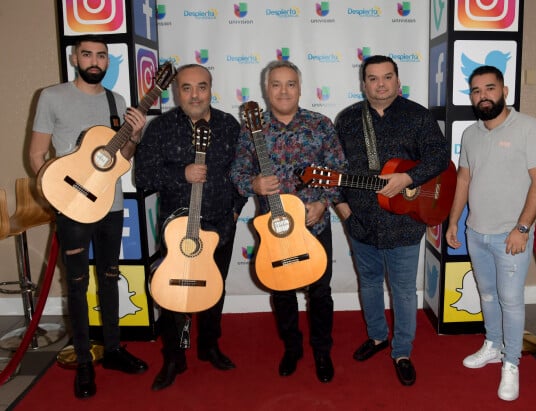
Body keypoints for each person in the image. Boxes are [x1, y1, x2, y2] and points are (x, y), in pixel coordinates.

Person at [29, 34, 148, 399]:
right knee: (77, 286)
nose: (94, 61)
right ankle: (83, 361)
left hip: (111, 206)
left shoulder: (119, 102)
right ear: (74, 57)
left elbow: (121, 158)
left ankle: (112, 350)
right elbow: (37, 155)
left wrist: (135, 134)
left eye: (101, 55)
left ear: (108, 61)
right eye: (87, 54)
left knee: (110, 278)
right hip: (72, 209)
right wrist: (60, 197)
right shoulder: (52, 97)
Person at [334, 55, 449, 386]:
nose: (380, 84)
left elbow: (440, 157)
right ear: (363, 83)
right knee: (368, 282)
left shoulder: (417, 116)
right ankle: (377, 337)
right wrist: (345, 213)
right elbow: (334, 172)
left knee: (402, 289)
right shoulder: (347, 120)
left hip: (406, 221)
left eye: (387, 77)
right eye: (373, 78)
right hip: (361, 220)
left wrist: (408, 178)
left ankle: (401, 351)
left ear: (398, 81)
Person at [230, 60, 347, 383]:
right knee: (282, 292)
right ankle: (292, 348)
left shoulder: (320, 124)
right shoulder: (252, 129)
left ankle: (322, 351)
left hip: (315, 224)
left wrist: (324, 203)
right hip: (275, 229)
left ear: (300, 87)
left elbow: (338, 170)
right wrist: (253, 184)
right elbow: (237, 172)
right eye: (276, 84)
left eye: (290, 84)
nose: (284, 91)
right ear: (266, 90)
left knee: (320, 293)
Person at [134, 64, 247, 391]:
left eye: (201, 87)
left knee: (215, 288)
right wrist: (180, 174)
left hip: (221, 224)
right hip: (177, 228)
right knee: (173, 294)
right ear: (176, 91)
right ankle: (174, 356)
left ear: (211, 88)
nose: (195, 94)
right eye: (186, 88)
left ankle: (210, 346)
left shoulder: (229, 125)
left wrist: (236, 211)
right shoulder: (161, 127)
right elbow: (143, 176)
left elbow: (241, 173)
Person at [445, 65, 536, 401]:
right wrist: (453, 222)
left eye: (489, 88)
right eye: (475, 91)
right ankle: (492, 344)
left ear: (504, 90)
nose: (482, 96)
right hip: (476, 233)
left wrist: (522, 228)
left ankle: (511, 363)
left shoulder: (529, 128)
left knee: (511, 300)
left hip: (512, 237)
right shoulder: (471, 134)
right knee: (487, 295)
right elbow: (463, 180)